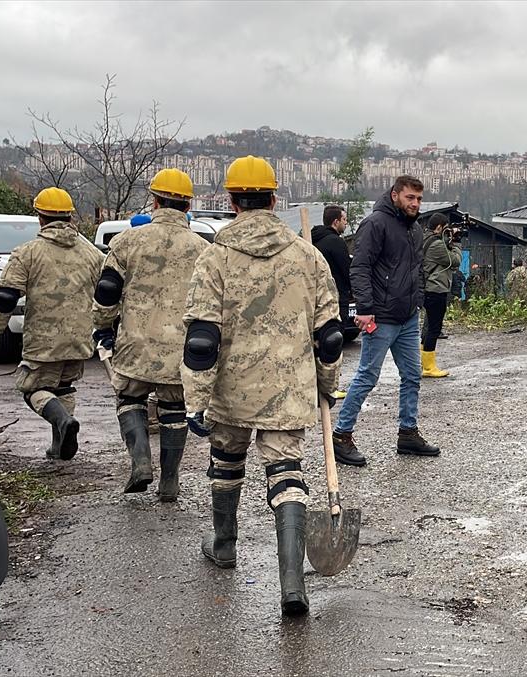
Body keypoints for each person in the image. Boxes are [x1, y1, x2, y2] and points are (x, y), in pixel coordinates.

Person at [184, 155, 342, 616]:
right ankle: (292, 584)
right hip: (289, 389)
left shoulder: (214, 257)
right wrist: (327, 385)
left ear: (231, 202)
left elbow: (201, 339)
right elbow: (330, 335)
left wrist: (195, 398)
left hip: (232, 390)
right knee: (287, 475)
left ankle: (224, 543)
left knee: (227, 460)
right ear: (274, 200)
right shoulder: (307, 256)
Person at [91, 168, 206, 500]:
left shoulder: (127, 241)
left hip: (134, 343)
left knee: (130, 399)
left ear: (154, 202)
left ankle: (140, 460)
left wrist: (102, 325)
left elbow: (108, 291)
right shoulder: (201, 247)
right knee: (173, 410)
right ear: (187, 206)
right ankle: (170, 480)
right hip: (180, 347)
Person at [0, 187, 102, 460]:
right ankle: (59, 444)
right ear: (71, 217)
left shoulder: (28, 253)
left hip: (43, 339)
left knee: (32, 388)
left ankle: (62, 423)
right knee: (64, 386)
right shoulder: (91, 253)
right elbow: (108, 288)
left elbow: (5, 298)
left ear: (40, 218)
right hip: (80, 337)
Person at [332, 175, 440, 463]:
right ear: (395, 195)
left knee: (412, 376)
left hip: (406, 317)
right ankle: (341, 435)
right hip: (380, 316)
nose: (415, 203)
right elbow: (360, 268)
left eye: (418, 199)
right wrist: (365, 309)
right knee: (368, 376)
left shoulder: (414, 228)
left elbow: (415, 269)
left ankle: (408, 433)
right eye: (410, 198)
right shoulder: (375, 223)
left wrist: (417, 301)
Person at [421, 212, 462, 378]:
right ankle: (429, 367)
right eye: (446, 228)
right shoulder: (436, 245)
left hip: (430, 289)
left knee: (428, 326)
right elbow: (454, 261)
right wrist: (457, 244)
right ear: (439, 227)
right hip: (436, 289)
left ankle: (425, 362)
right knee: (434, 328)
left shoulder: (427, 239)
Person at [311, 204, 351, 324]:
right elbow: (346, 270)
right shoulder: (336, 242)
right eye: (344, 220)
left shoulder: (311, 240)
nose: (346, 223)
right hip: (337, 298)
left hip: (317, 298)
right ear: (335, 222)